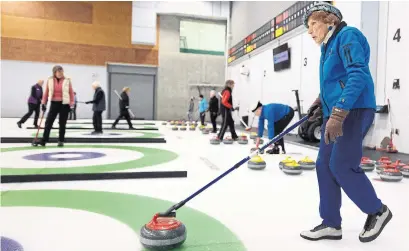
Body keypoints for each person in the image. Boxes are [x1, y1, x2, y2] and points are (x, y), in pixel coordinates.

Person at [300, 2, 392, 243]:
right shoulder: (327, 47)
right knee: (323, 165)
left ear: (329, 19)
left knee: (341, 165)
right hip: (336, 113)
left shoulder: (347, 36)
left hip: (354, 110)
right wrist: (320, 102)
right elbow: (334, 81)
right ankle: (331, 223)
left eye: (313, 24)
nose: (309, 31)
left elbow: (358, 74)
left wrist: (339, 113)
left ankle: (377, 211)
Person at [39, 65, 75, 147]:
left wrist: (71, 104)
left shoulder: (67, 80)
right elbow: (46, 92)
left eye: (61, 71)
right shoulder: (50, 80)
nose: (60, 73)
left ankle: (61, 140)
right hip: (54, 103)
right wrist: (43, 103)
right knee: (48, 122)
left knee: (62, 123)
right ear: (54, 72)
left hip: (64, 104)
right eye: (58, 72)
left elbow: (71, 92)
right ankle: (44, 140)